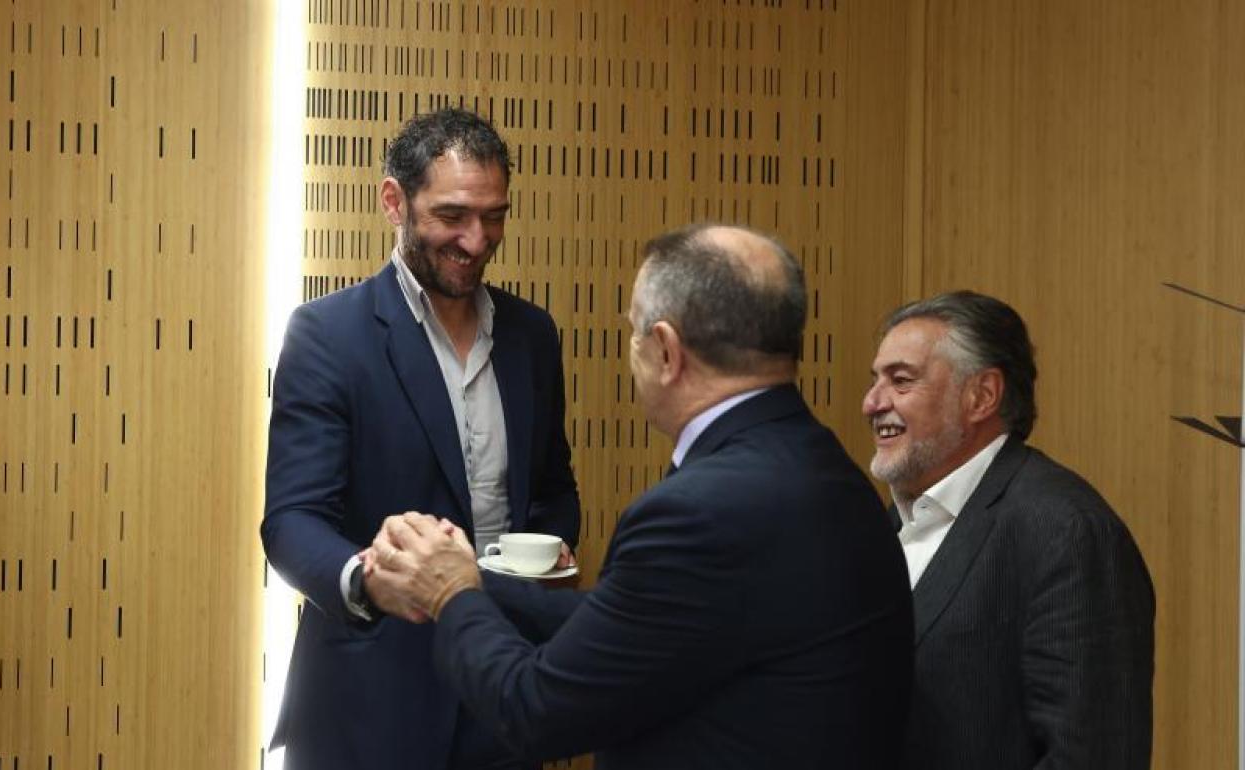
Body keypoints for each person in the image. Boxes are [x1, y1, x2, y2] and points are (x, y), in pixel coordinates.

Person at [366, 223, 914, 769]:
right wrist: (475, 579)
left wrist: (452, 595)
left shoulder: (701, 511)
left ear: (667, 351)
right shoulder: (825, 468)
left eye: (633, 334)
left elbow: (535, 711)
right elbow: (641, 624)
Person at [261, 108, 581, 770]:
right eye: (453, 215)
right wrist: (371, 582)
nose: (477, 238)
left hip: (503, 690)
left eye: (494, 215)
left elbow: (553, 489)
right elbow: (292, 522)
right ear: (393, 202)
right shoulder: (327, 335)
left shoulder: (533, 335)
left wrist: (547, 557)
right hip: (368, 708)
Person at [861, 290, 1155, 769]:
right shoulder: (891, 524)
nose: (872, 403)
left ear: (981, 396)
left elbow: (1091, 754)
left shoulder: (1066, 531)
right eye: (875, 381)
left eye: (900, 380)